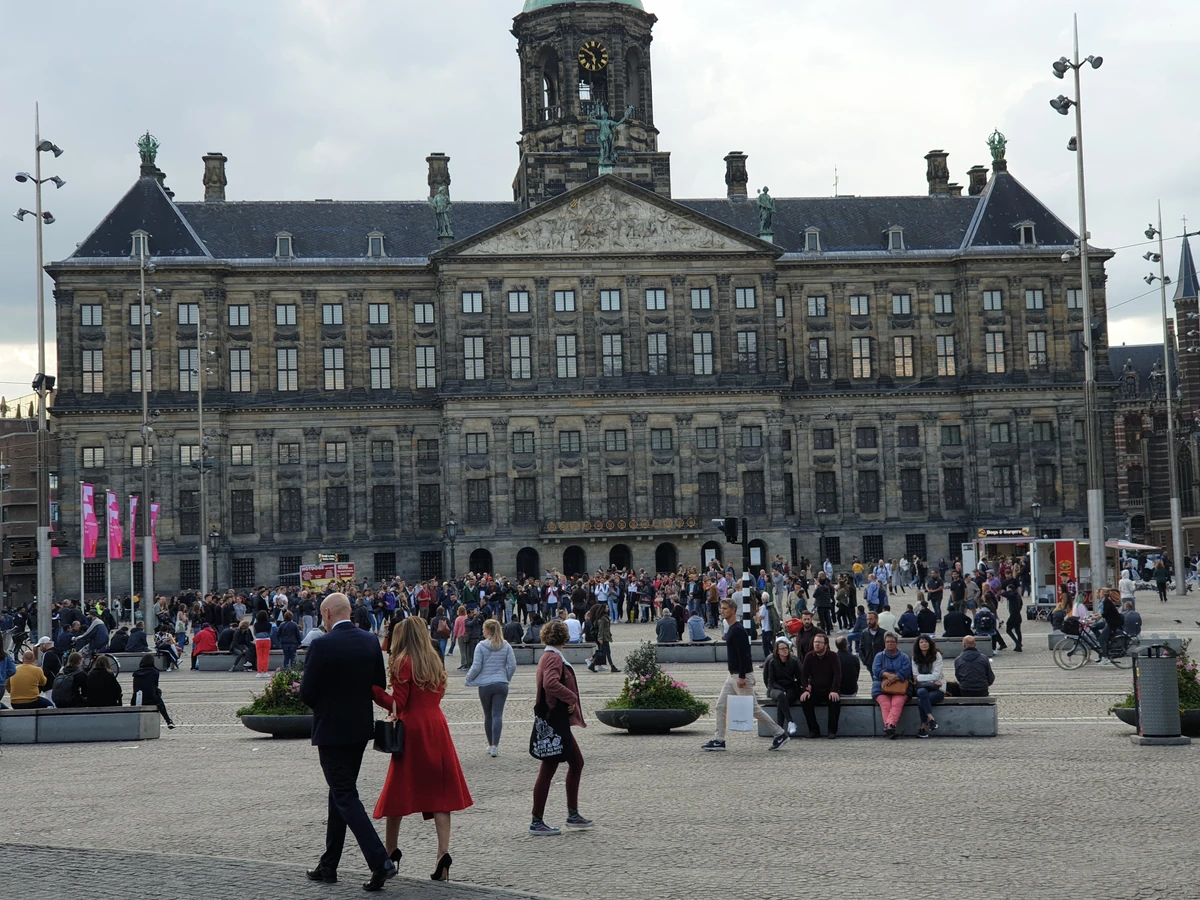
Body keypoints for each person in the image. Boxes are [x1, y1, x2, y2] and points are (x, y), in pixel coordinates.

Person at [299, 593, 396, 890]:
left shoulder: (322, 644)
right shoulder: (369, 641)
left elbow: (306, 692)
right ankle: (329, 864)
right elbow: (377, 683)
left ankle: (380, 861)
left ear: (327, 613)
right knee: (339, 793)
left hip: (331, 730)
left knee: (344, 794)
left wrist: (326, 708)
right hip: (359, 729)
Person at [371, 617, 472, 882]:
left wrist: (375, 692)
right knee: (441, 793)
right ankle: (442, 855)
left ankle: (390, 851)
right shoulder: (433, 660)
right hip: (437, 725)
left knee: (398, 790)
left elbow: (399, 703)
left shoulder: (403, 662)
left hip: (413, 729)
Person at [530, 618, 593, 836]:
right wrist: (571, 697)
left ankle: (572, 814)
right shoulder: (553, 658)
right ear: (564, 638)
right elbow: (550, 683)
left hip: (555, 720)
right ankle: (537, 820)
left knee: (575, 763)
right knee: (551, 769)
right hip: (554, 721)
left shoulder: (549, 656)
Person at [701, 598, 789, 752]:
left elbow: (744, 655)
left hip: (740, 676)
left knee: (753, 709)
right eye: (721, 608)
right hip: (732, 676)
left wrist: (743, 676)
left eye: (725, 608)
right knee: (720, 706)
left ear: (733, 610)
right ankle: (719, 740)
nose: (722, 611)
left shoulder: (738, 630)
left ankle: (779, 733)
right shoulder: (732, 629)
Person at [464, 618, 517, 757]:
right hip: (501, 683)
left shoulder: (481, 646)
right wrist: (506, 677)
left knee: (488, 715)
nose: (482, 631)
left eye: (483, 629)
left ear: (488, 631)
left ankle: (490, 744)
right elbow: (512, 665)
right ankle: (495, 746)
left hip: (485, 685)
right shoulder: (506, 646)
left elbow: (476, 666)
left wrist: (468, 678)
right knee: (497, 714)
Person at [799, 632, 842, 739]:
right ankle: (814, 730)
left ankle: (832, 731)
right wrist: (805, 688)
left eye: (819, 642)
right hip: (815, 690)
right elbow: (803, 675)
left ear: (826, 645)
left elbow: (838, 674)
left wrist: (834, 690)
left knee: (835, 700)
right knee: (804, 700)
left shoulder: (833, 656)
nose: (817, 644)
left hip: (829, 689)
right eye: (815, 642)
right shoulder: (809, 656)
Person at [870, 632, 912, 739]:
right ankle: (890, 726)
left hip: (900, 687)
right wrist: (888, 675)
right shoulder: (879, 656)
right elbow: (876, 670)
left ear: (897, 643)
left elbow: (906, 671)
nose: (890, 644)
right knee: (885, 704)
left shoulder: (904, 657)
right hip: (881, 687)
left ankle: (890, 726)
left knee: (897, 703)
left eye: (892, 642)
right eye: (887, 642)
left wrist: (895, 677)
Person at [763, 638, 802, 736]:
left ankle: (779, 731)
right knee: (781, 695)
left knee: (781, 701)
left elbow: (800, 677)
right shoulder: (772, 662)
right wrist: (781, 689)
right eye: (782, 649)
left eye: (786, 648)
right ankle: (790, 722)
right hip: (775, 688)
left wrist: (804, 687)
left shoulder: (793, 661)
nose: (785, 650)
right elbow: (771, 681)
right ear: (777, 651)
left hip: (790, 688)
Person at [911, 635, 945, 738]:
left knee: (921, 700)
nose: (924, 644)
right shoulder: (915, 657)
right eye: (921, 642)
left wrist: (920, 678)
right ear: (918, 645)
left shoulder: (937, 655)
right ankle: (931, 719)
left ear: (930, 644)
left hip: (938, 689)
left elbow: (936, 675)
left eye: (926, 642)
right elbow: (915, 676)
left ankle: (924, 726)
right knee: (922, 692)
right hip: (922, 688)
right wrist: (932, 681)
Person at [131, 653, 175, 728]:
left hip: (138, 698)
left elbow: (135, 687)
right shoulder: (155, 672)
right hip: (151, 698)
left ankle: (131, 720)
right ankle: (168, 721)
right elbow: (154, 686)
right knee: (159, 700)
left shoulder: (136, 674)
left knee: (135, 696)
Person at [587, 605, 619, 673]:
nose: (608, 608)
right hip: (604, 637)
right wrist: (600, 638)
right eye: (607, 607)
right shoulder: (602, 618)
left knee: (603, 652)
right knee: (606, 652)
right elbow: (601, 629)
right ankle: (612, 666)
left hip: (605, 637)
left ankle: (593, 664)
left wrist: (609, 636)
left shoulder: (604, 617)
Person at [1002, 584, 1023, 652]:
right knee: (1018, 630)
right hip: (1018, 614)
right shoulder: (1018, 595)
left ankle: (1017, 643)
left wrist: (1008, 591)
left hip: (1013, 615)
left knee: (1008, 630)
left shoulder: (1012, 595)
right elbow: (1021, 604)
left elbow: (1003, 594)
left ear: (1010, 589)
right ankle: (1019, 644)